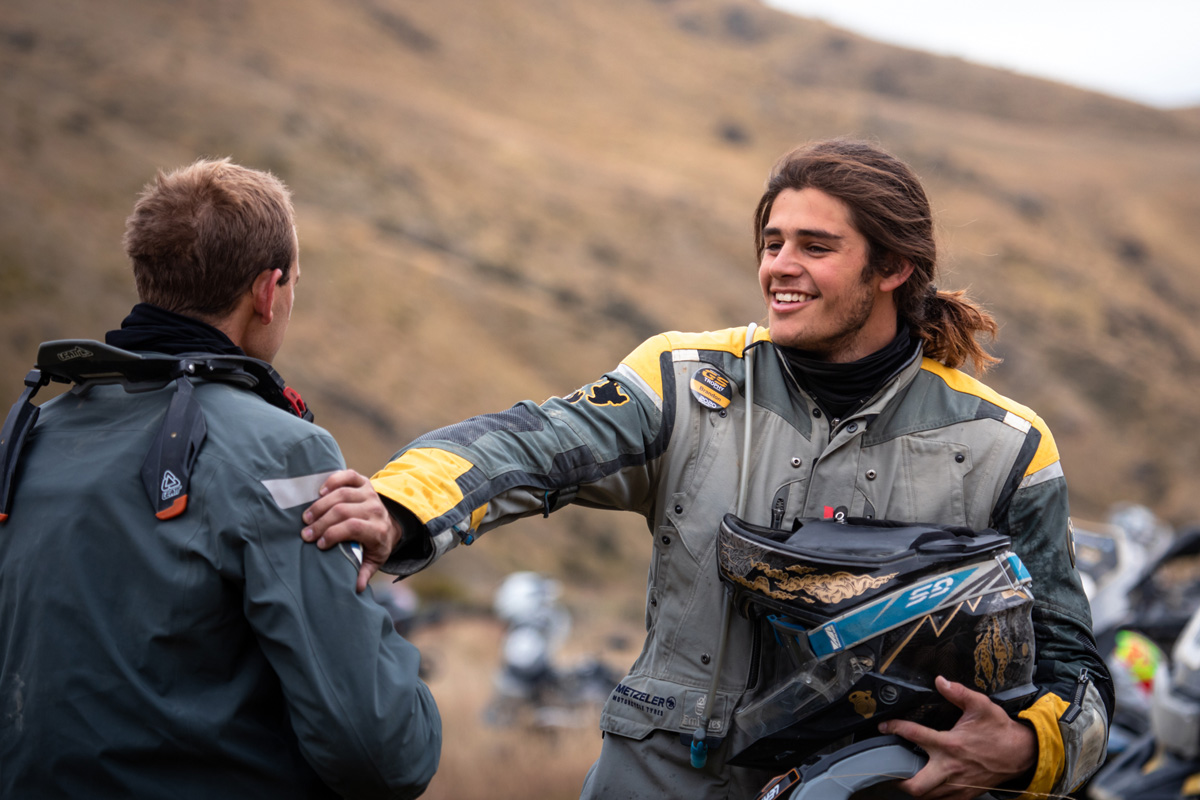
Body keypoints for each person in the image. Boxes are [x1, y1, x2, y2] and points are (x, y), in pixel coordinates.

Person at [301, 138, 1111, 799]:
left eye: (816, 247)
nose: (779, 266)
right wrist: (400, 505)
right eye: (772, 243)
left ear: (892, 267)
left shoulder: (1007, 445)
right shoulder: (684, 383)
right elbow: (532, 443)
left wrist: (1024, 751)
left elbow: (1075, 673)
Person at [0, 158, 441, 798]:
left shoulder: (27, 438)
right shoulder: (284, 454)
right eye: (293, 284)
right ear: (267, 291)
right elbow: (384, 752)